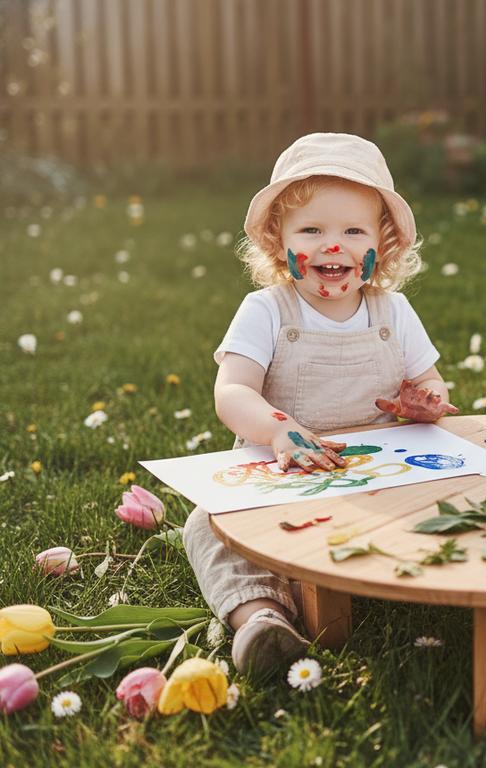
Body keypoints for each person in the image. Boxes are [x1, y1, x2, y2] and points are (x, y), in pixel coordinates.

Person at [183, 133, 457, 676]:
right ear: (277, 240)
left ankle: (410, 580)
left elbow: (432, 382)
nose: (334, 246)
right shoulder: (266, 309)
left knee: (455, 497)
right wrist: (277, 429)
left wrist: (427, 404)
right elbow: (232, 391)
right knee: (207, 526)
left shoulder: (394, 311)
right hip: (282, 472)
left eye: (354, 231)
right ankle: (261, 618)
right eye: (312, 231)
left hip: (380, 474)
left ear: (384, 242)